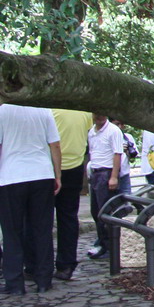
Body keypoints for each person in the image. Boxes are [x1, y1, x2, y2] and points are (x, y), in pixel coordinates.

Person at [0, 104, 62, 294]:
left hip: (12, 176)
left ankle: (14, 283)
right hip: (41, 174)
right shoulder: (43, 110)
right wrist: (57, 175)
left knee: (12, 232)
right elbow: (55, 144)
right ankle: (44, 279)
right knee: (42, 230)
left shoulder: (3, 110)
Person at [50, 109, 91, 281]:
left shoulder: (49, 111)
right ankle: (66, 264)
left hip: (51, 166)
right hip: (75, 167)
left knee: (41, 218)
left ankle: (38, 264)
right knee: (68, 217)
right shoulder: (84, 112)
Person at [85, 113, 125, 260]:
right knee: (96, 211)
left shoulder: (113, 131)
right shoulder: (92, 132)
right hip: (96, 172)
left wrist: (114, 176)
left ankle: (111, 246)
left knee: (107, 211)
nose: (99, 117)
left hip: (106, 172)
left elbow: (117, 153)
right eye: (96, 114)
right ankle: (103, 243)